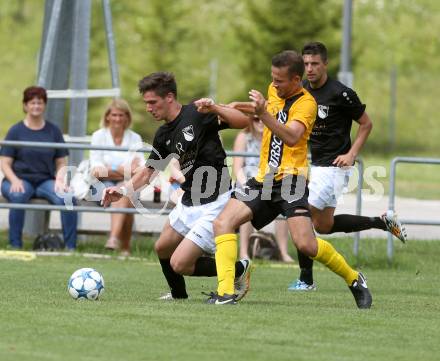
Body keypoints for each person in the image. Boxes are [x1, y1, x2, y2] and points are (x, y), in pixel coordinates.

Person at [198, 50, 372, 308]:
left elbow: (291, 136)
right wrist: (219, 107)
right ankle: (226, 292)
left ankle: (354, 278)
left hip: (292, 181)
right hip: (263, 179)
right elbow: (265, 109)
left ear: (296, 80)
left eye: (279, 80)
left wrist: (263, 114)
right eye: (273, 78)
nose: (274, 84)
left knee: (305, 244)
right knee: (222, 223)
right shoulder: (275, 91)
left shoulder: (307, 103)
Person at [101, 72, 252, 301]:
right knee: (162, 248)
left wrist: (216, 109)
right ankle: (178, 295)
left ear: (169, 97)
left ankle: (239, 270)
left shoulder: (197, 113)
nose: (149, 108)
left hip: (216, 201)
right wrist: (122, 190)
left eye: (153, 102)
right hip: (190, 199)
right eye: (146, 103)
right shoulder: (163, 134)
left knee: (180, 263)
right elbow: (149, 172)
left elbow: (243, 121)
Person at [288, 41, 407, 291]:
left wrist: (352, 154)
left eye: (314, 64)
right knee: (324, 225)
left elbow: (366, 124)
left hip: (333, 167)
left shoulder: (341, 93)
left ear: (325, 64)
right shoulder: (302, 92)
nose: (309, 69)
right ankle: (381, 222)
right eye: (306, 64)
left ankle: (305, 280)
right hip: (315, 165)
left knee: (300, 214)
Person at [0, 86, 77, 249]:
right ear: (25, 105)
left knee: (68, 197)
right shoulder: (16, 131)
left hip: (45, 180)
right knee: (18, 196)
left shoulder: (53, 131)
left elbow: (61, 161)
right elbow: (4, 162)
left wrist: (60, 180)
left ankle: (71, 248)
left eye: (40, 103)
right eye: (32, 103)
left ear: (44, 105)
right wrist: (14, 180)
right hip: (19, 179)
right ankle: (15, 245)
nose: (36, 106)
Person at [232, 113, 293, 262]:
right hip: (248, 182)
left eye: (262, 118)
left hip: (271, 183)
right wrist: (245, 185)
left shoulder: (276, 137)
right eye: (255, 119)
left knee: (283, 204)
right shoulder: (244, 137)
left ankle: (283, 252)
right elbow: (237, 167)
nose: (259, 122)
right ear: (250, 120)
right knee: (247, 205)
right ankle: (244, 253)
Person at [89, 98, 144, 254]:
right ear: (107, 116)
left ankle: (114, 239)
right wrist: (123, 169)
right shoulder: (98, 136)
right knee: (123, 192)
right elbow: (97, 172)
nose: (117, 119)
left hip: (127, 185)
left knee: (125, 191)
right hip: (100, 186)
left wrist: (110, 169)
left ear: (127, 117)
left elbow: (140, 170)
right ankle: (124, 248)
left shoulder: (135, 138)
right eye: (114, 115)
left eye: (121, 115)